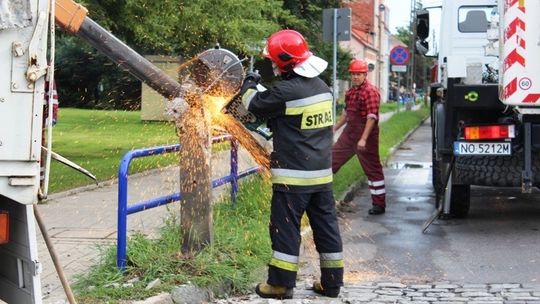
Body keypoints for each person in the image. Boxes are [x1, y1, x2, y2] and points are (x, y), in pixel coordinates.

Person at [238, 29, 343, 299]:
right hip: (321, 177)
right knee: (327, 229)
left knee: (285, 229)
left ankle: (280, 284)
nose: (272, 65)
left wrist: (249, 81)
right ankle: (332, 284)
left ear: (284, 62)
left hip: (293, 178)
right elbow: (296, 122)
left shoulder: (287, 91)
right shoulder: (323, 88)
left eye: (273, 61)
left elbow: (254, 104)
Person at [332, 59, 386, 215]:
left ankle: (379, 204)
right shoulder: (351, 92)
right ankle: (324, 200)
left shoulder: (371, 91)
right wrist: (335, 128)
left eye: (359, 74)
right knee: (331, 162)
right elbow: (346, 115)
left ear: (365, 74)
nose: (355, 77)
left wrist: (363, 139)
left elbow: (372, 117)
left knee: (373, 169)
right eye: (353, 74)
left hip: (366, 135)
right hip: (349, 134)